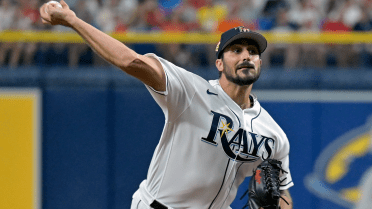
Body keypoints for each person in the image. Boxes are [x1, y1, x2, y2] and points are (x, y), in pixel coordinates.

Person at [39, 1, 294, 208]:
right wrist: (73, 21)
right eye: (236, 50)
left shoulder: (273, 135)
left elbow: (282, 194)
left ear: (260, 62)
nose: (246, 55)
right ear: (219, 63)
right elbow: (132, 62)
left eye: (252, 51)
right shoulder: (192, 91)